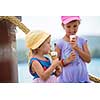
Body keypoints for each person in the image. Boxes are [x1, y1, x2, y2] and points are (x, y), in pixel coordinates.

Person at [55, 16, 91, 83]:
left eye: (75, 26)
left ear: (79, 24)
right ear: (63, 26)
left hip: (82, 80)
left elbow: (88, 59)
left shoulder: (82, 41)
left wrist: (76, 48)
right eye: (68, 26)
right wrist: (67, 60)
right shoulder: (59, 43)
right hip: (65, 81)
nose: (72, 30)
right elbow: (55, 65)